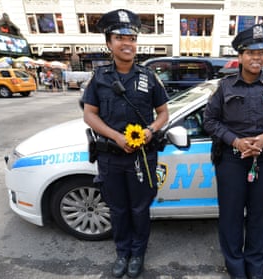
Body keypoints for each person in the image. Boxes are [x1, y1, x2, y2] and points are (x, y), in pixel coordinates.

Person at [82, 9, 169, 278]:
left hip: (141, 158)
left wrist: (151, 130)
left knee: (140, 208)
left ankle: (138, 254)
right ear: (109, 43)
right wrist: (116, 137)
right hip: (110, 157)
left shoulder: (149, 77)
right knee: (118, 209)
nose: (127, 42)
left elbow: (164, 113)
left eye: (131, 37)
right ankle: (122, 252)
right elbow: (89, 114)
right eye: (120, 37)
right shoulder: (99, 78)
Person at [203, 24, 263, 279]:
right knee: (230, 218)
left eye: (262, 52)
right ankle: (236, 270)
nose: (257, 57)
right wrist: (235, 141)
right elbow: (209, 121)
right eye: (251, 53)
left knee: (259, 217)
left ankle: (255, 271)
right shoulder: (224, 87)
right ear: (240, 56)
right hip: (231, 162)